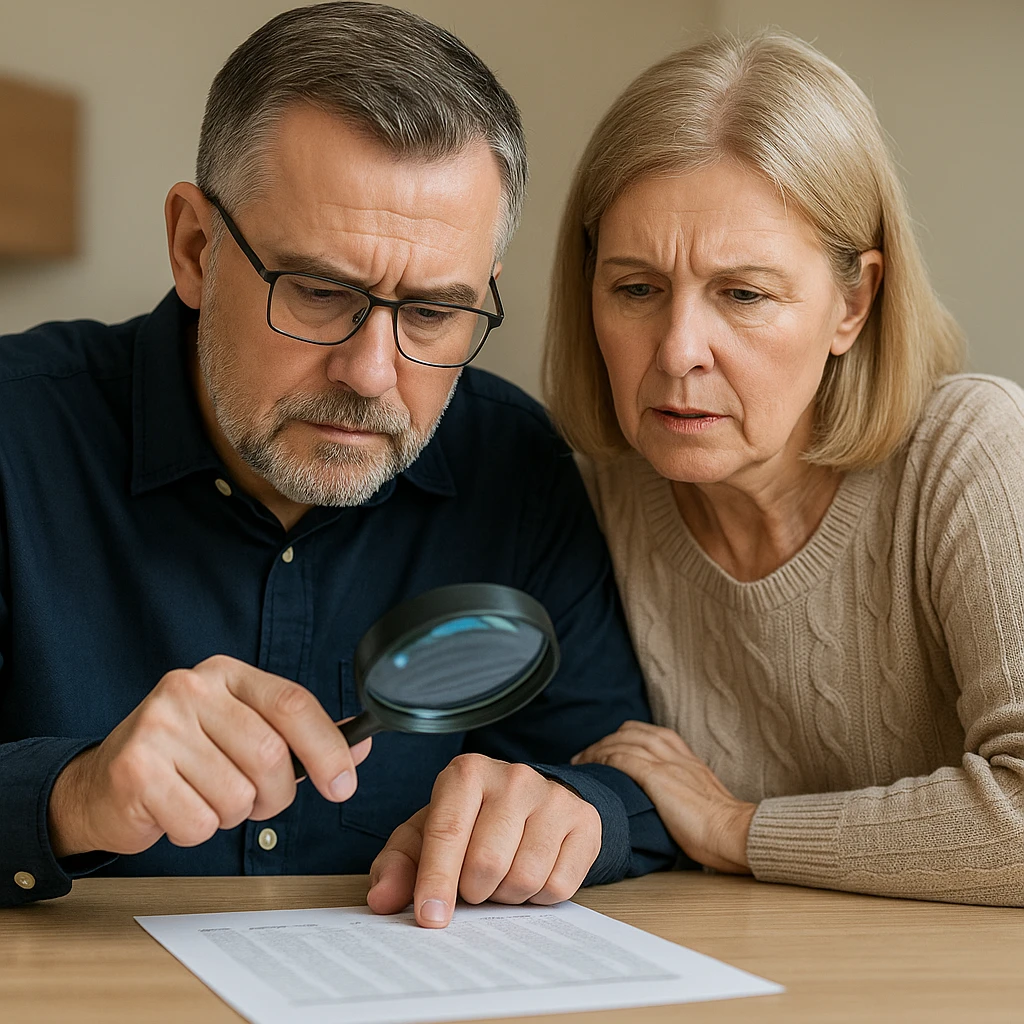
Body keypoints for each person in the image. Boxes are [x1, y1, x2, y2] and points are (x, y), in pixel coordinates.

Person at [0, 2, 679, 919]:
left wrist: (571, 811)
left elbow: (626, 775)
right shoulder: (16, 430)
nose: (371, 375)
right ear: (194, 248)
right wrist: (71, 795)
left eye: (434, 314)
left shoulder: (514, 463)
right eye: (320, 292)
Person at [544, 30, 1024, 905]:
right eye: (637, 289)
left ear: (853, 301)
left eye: (745, 294)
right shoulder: (591, 496)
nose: (680, 350)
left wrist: (736, 827)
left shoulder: (972, 454)